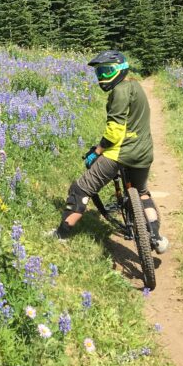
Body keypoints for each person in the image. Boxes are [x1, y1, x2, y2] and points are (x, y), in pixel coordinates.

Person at [51, 50, 169, 253]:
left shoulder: (119, 92)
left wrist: (96, 152)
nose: (101, 77)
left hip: (121, 153)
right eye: (99, 73)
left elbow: (114, 133)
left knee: (81, 188)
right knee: (141, 192)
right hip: (144, 152)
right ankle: (156, 237)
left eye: (106, 72)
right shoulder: (135, 86)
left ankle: (61, 234)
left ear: (121, 69)